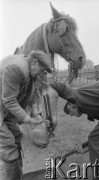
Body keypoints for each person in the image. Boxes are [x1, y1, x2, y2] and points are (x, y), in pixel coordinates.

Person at [47, 75, 99, 180]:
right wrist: (88, 145)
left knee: (97, 143)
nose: (71, 114)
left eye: (69, 111)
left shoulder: (77, 96)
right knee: (97, 141)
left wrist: (52, 117)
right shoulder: (90, 106)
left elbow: (55, 86)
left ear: (73, 104)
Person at [0, 50, 54, 180]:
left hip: (5, 109)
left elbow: (35, 92)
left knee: (17, 136)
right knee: (9, 145)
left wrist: (36, 109)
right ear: (35, 62)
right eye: (41, 70)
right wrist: (28, 119)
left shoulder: (31, 71)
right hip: (4, 106)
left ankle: (19, 173)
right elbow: (9, 100)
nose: (41, 74)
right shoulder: (16, 68)